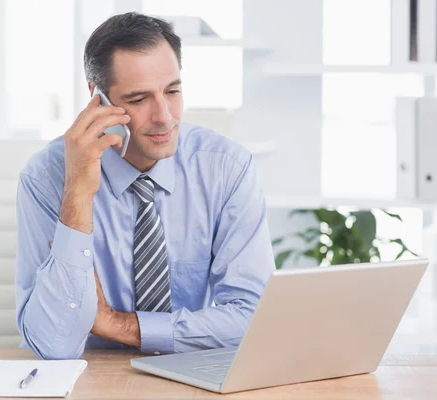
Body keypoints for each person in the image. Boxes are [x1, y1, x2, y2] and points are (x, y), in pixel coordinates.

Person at [15, 12, 275, 360]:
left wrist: (116, 324)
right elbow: (53, 345)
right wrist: (77, 192)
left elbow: (254, 319)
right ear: (98, 98)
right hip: (88, 380)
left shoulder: (225, 168)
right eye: (138, 100)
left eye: (173, 91)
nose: (164, 116)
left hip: (189, 375)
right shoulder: (46, 178)